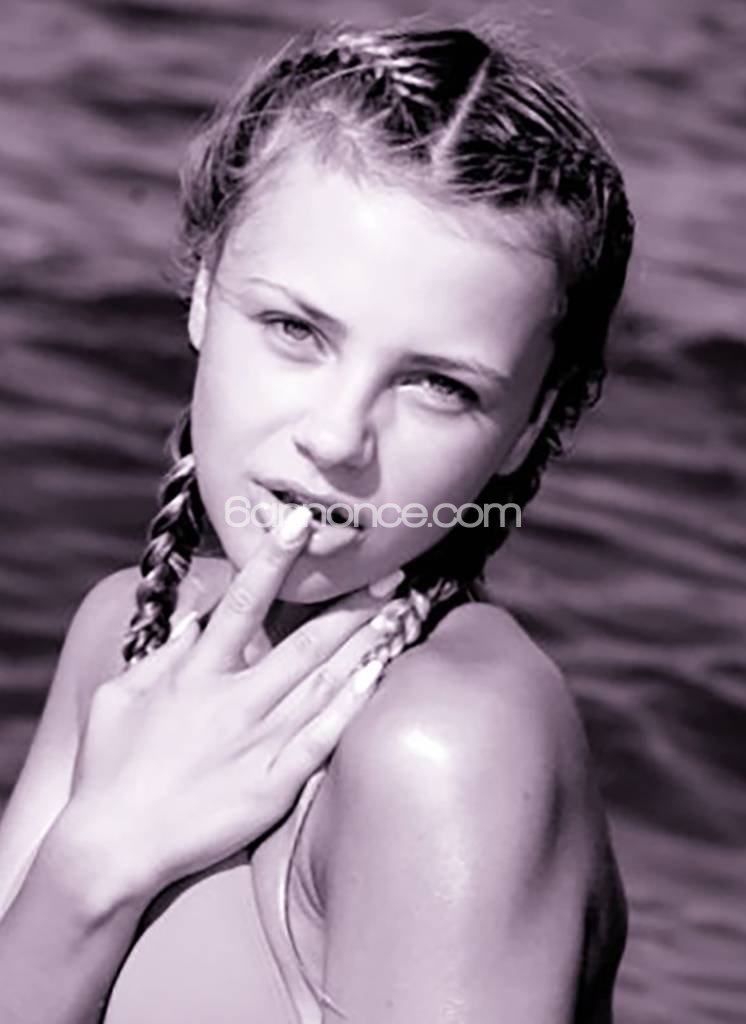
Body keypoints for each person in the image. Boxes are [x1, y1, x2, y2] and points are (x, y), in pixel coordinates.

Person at [0, 19, 634, 1024]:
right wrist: (92, 866)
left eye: (437, 384)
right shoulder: (124, 640)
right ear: (202, 292)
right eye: (294, 329)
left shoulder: (448, 746)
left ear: (530, 424)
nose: (338, 437)